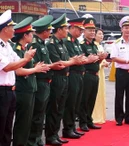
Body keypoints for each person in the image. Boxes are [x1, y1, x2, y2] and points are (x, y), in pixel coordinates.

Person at [45, 14, 83, 145]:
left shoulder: (62, 43)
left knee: (61, 108)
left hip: (65, 78)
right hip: (57, 78)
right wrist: (72, 61)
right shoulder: (51, 44)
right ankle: (50, 136)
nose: (67, 30)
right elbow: (58, 63)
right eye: (66, 28)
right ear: (59, 29)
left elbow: (65, 61)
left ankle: (56, 134)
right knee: (54, 109)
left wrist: (70, 61)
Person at [12, 17, 50, 146]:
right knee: (22, 122)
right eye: (30, 33)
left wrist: (36, 67)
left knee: (28, 121)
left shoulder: (24, 49)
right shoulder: (17, 50)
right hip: (23, 89)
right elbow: (19, 70)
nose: (32, 35)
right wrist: (35, 69)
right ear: (25, 35)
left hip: (30, 88)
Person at [27, 15, 65, 146]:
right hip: (39, 82)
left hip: (46, 82)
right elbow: (39, 65)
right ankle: (32, 140)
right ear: (44, 31)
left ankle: (38, 139)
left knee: (41, 113)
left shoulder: (42, 44)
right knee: (37, 114)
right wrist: (52, 66)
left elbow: (46, 62)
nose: (50, 33)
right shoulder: (35, 45)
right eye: (49, 30)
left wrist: (51, 65)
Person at [0, 10, 36, 146]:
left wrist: (26, 58)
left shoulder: (8, 46)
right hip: (1, 92)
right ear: (4, 29)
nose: (14, 30)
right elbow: (8, 67)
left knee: (8, 127)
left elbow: (18, 61)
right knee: (1, 126)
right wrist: (26, 59)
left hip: (10, 91)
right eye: (11, 27)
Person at [62, 17, 94, 139]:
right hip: (73, 74)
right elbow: (73, 59)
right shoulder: (67, 41)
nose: (81, 32)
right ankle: (68, 128)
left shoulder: (75, 42)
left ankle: (72, 127)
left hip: (80, 74)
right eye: (79, 29)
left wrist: (86, 59)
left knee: (76, 102)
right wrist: (86, 60)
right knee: (70, 103)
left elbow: (80, 57)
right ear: (72, 28)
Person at [79, 17, 107, 132]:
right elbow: (83, 60)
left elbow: (95, 60)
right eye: (89, 30)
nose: (92, 32)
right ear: (84, 31)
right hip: (86, 74)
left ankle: (89, 120)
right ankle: (83, 122)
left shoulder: (94, 46)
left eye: (93, 30)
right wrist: (93, 59)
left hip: (95, 74)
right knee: (84, 100)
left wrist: (100, 58)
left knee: (92, 99)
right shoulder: (82, 45)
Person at [111, 16, 129, 126]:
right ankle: (119, 118)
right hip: (121, 72)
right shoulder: (117, 43)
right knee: (119, 95)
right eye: (126, 28)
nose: (128, 30)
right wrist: (128, 61)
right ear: (121, 29)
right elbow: (114, 58)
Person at [92, 28, 109, 124]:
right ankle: (95, 116)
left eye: (102, 34)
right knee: (96, 94)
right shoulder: (93, 46)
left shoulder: (100, 46)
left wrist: (105, 62)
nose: (101, 36)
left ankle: (101, 115)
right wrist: (101, 64)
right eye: (99, 34)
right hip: (96, 71)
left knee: (101, 92)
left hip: (101, 73)